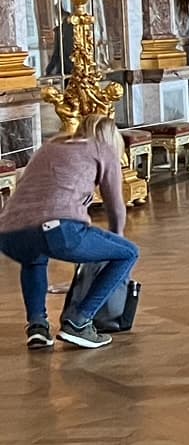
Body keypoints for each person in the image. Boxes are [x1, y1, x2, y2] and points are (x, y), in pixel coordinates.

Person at [0, 116, 139, 350]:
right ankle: (79, 321)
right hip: (58, 228)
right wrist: (116, 238)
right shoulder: (103, 149)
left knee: (33, 260)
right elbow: (116, 206)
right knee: (128, 253)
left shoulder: (51, 146)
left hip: (9, 232)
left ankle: (37, 327)